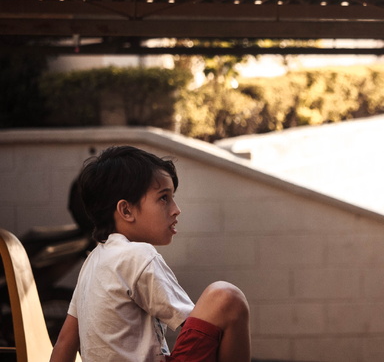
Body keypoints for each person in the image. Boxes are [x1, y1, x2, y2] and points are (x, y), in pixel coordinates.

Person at [50, 145, 251, 362]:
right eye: (164, 198)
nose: (176, 209)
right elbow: (196, 327)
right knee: (227, 298)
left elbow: (65, 342)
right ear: (126, 210)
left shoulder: (93, 261)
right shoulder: (138, 255)